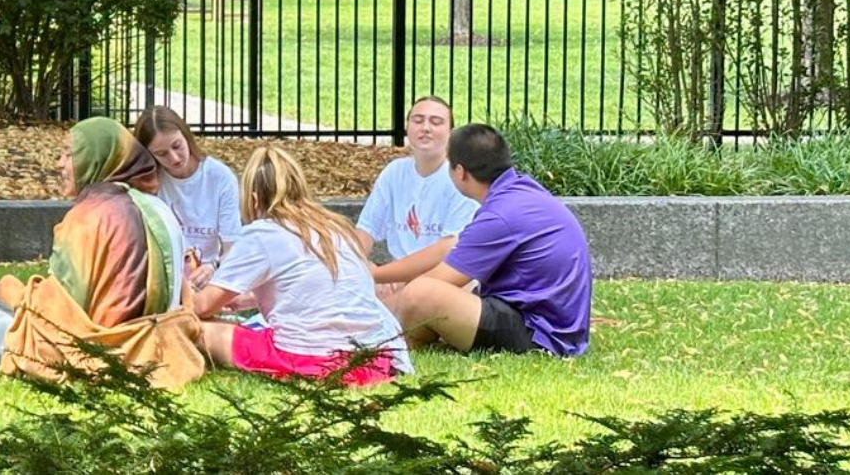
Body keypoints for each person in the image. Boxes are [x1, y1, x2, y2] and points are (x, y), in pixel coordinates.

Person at [0, 117, 206, 388]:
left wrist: (5, 289)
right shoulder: (158, 208)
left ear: (96, 159)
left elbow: (56, 313)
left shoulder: (88, 217)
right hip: (160, 347)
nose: (60, 164)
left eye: (69, 154)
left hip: (101, 354)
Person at [182, 147, 413, 386]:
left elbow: (201, 306)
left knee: (200, 329)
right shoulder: (335, 226)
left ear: (253, 199)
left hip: (313, 361)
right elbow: (311, 286)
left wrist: (179, 277)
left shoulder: (263, 233)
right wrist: (245, 300)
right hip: (372, 361)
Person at [386, 124, 593, 357]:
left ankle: (388, 337)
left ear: (460, 172)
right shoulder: (519, 191)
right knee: (432, 288)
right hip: (546, 321)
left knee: (419, 294)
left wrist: (373, 306)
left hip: (540, 335)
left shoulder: (500, 215)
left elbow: (432, 284)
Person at [356, 97, 481, 289]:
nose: (425, 127)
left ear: (451, 132)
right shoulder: (394, 172)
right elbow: (365, 230)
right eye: (418, 120)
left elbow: (446, 248)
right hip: (394, 278)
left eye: (436, 122)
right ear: (407, 127)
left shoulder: (461, 177)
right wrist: (357, 264)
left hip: (445, 282)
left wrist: (380, 275)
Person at [135, 105, 241, 302]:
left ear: (186, 136)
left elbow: (232, 247)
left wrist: (213, 267)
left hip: (211, 285)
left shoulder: (220, 177)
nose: (174, 158)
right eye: (161, 154)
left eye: (177, 146)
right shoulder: (150, 183)